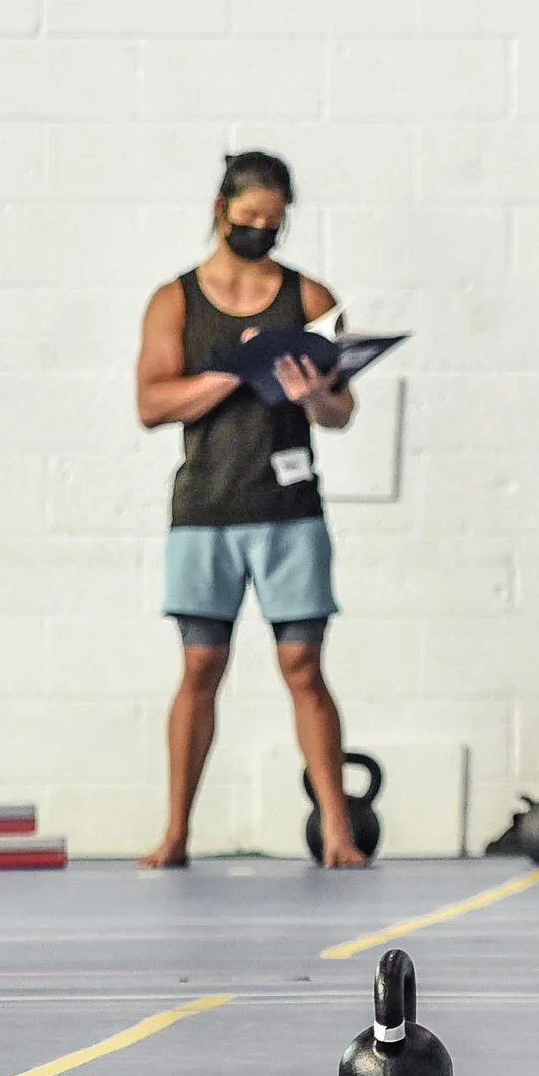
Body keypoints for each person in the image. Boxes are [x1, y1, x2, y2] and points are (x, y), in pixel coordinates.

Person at [135, 151, 366, 869]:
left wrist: (313, 394)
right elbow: (151, 403)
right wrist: (236, 371)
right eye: (249, 217)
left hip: (289, 506)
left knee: (303, 663)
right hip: (206, 508)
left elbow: (342, 411)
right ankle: (176, 832)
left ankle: (338, 833)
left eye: (274, 220)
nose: (260, 230)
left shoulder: (309, 296)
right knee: (201, 664)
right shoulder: (175, 300)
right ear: (220, 210)